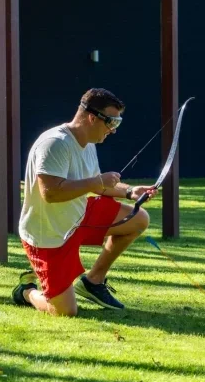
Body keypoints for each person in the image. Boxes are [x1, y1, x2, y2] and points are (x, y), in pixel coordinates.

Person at [13, 88, 157, 316]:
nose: (113, 130)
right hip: (48, 234)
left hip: (78, 216)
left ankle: (93, 281)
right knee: (65, 312)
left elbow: (98, 185)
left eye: (118, 123)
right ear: (92, 117)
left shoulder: (89, 143)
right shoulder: (55, 143)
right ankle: (26, 291)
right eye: (112, 122)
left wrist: (130, 191)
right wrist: (96, 181)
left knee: (138, 218)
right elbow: (50, 193)